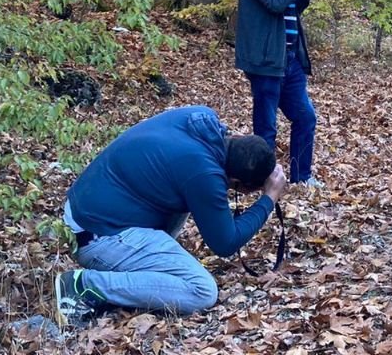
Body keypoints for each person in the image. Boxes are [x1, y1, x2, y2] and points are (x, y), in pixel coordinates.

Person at [54, 106, 288, 326]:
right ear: (238, 183)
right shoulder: (203, 173)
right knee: (202, 291)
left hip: (86, 211)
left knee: (182, 196)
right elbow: (226, 243)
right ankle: (82, 286)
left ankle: (136, 267)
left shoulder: (201, 120)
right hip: (98, 237)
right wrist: (268, 199)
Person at [236, 0, 328, 188]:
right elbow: (275, 3)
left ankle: (301, 177)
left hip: (290, 59)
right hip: (266, 61)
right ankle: (264, 180)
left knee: (305, 117)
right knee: (266, 127)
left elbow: (292, 7)